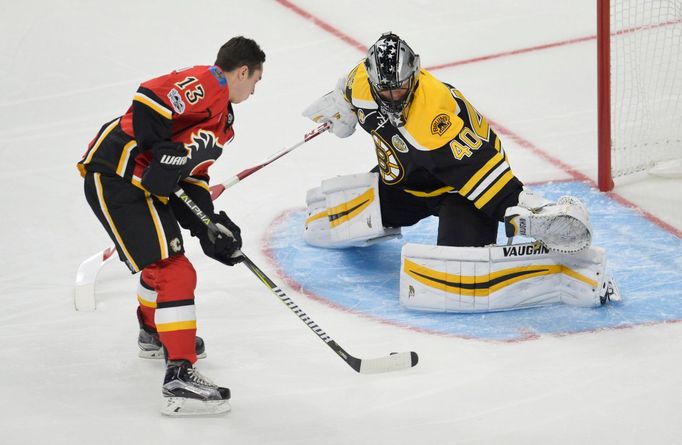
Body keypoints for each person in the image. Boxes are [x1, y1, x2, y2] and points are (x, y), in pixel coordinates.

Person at [302, 32, 619, 312]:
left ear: (415, 72)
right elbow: (347, 91)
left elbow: (484, 177)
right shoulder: (362, 82)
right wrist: (338, 111)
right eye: (386, 92)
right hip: (407, 181)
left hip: (460, 191)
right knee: (328, 224)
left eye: (401, 89)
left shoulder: (434, 122)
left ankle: (557, 270)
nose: (394, 97)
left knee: (454, 280)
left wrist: (522, 209)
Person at [77, 36, 265, 416]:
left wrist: (208, 224)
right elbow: (149, 99)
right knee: (175, 269)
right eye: (256, 81)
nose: (254, 90)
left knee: (164, 260)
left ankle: (153, 332)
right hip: (116, 174)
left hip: (144, 186)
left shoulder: (223, 123)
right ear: (242, 71)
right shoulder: (209, 82)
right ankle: (179, 377)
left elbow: (192, 179)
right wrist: (159, 146)